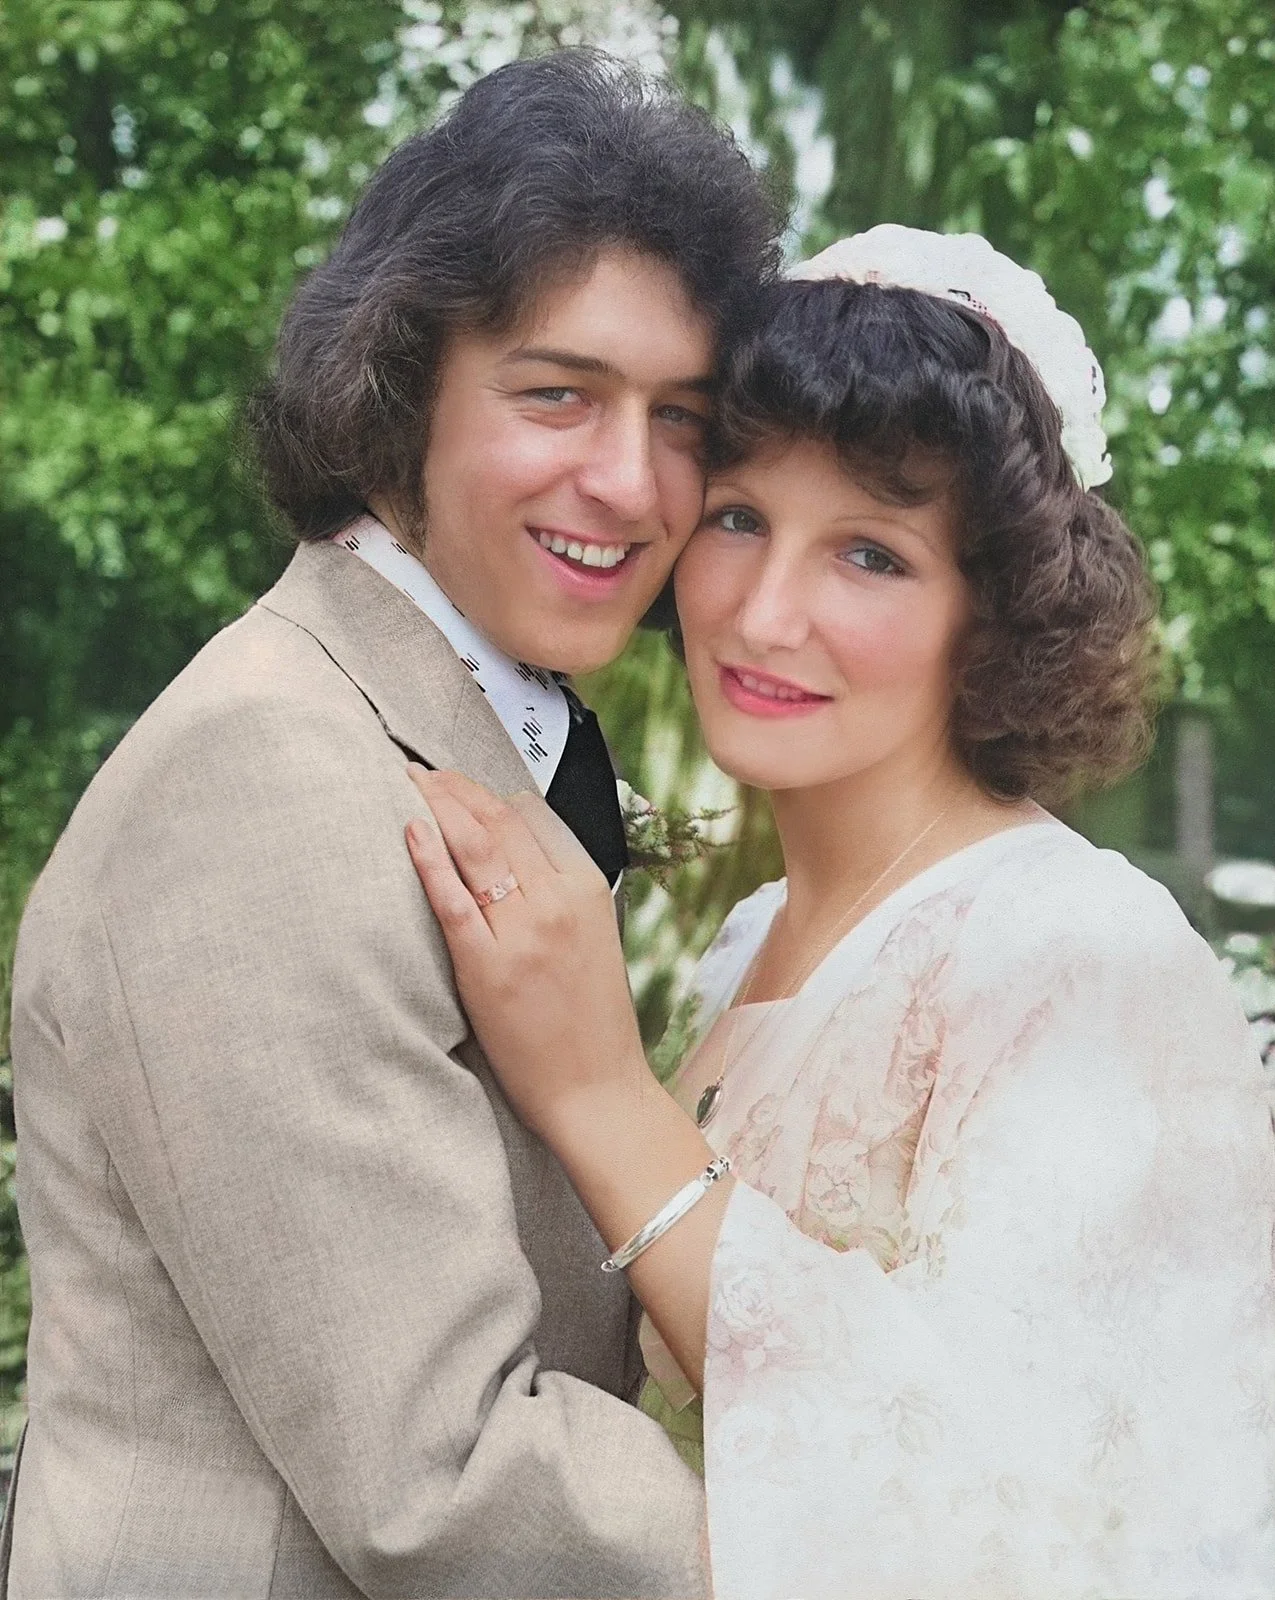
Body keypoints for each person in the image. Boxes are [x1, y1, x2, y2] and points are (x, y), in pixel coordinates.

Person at [4, 51, 780, 1599]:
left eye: (682, 418)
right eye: (557, 393)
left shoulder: (472, 723)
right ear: (395, 394)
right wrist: (917, 1521)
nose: (629, 482)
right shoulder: (266, 777)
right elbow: (444, 1479)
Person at [404, 226, 1275, 1598]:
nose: (760, 613)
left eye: (869, 555)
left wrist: (598, 1095)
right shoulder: (752, 935)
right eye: (739, 517)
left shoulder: (1082, 960)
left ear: (996, 612)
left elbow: (1046, 1519)